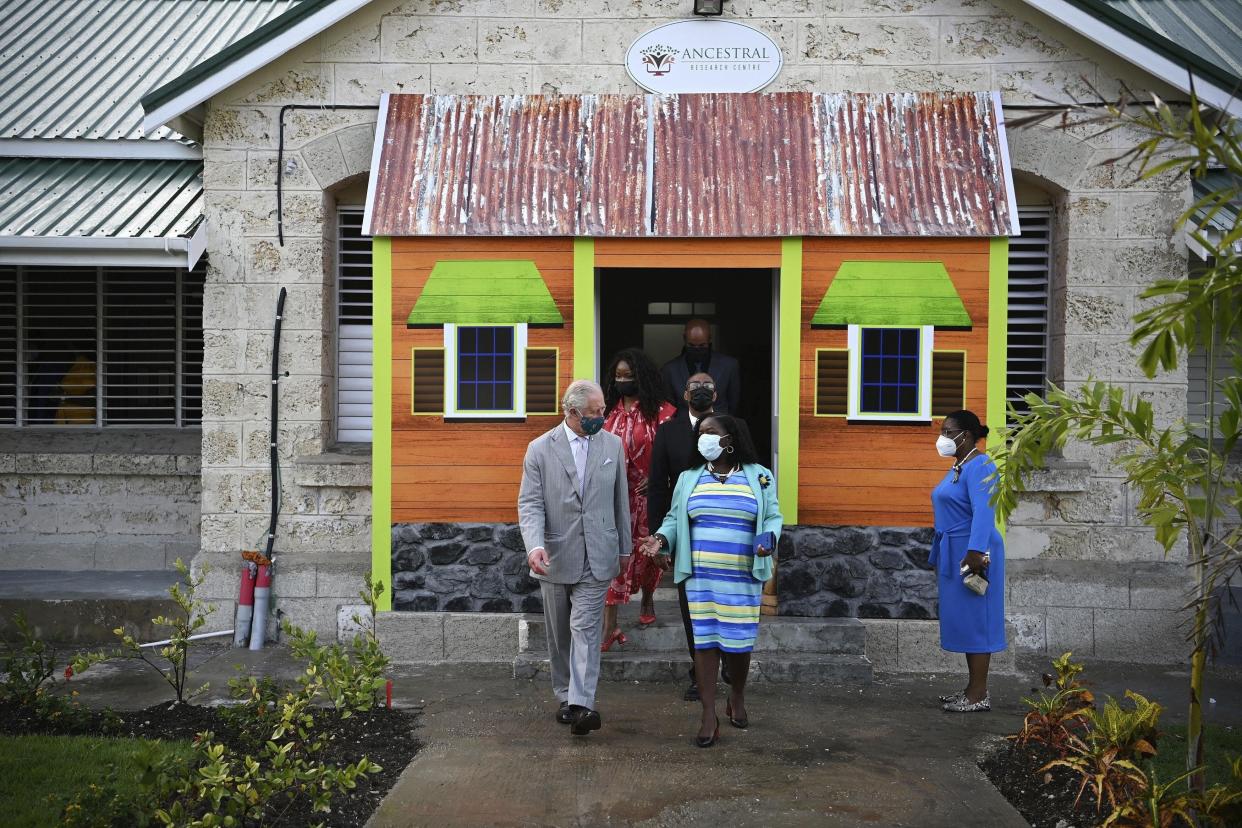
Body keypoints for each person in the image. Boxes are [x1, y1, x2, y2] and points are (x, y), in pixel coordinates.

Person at [640, 414, 781, 747]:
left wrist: (769, 538)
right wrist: (659, 539)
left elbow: (773, 515)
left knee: (739, 644)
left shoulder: (759, 476)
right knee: (703, 643)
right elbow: (675, 519)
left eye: (710, 432)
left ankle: (737, 695)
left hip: (743, 575)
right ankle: (707, 714)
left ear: (729, 438)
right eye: (699, 433)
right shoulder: (689, 478)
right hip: (700, 576)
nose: (702, 438)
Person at [518, 380, 631, 736]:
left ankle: (583, 704)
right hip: (554, 554)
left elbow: (620, 502)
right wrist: (534, 545)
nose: (603, 416)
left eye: (603, 410)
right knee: (559, 634)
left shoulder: (612, 444)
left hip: (598, 554)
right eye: (596, 412)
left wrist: (625, 549)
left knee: (584, 628)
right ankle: (565, 695)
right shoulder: (539, 449)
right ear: (572, 412)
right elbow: (530, 503)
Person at [647, 371, 717, 701]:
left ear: (716, 396)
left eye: (708, 387)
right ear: (684, 394)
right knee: (691, 607)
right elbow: (658, 487)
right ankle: (698, 673)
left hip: (723, 533)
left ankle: (727, 664)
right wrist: (659, 537)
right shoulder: (668, 431)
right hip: (684, 532)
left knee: (724, 606)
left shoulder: (730, 427)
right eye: (695, 387)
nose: (701, 391)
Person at [930, 409, 1006, 713]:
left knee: (977, 620)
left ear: (968, 436)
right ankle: (971, 689)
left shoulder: (981, 465)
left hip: (974, 553)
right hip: (956, 549)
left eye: (949, 432)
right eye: (943, 431)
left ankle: (978, 695)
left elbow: (985, 512)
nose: (943, 437)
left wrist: (975, 552)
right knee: (964, 619)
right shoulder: (959, 466)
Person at [601, 349, 677, 649]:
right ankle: (610, 625)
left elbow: (673, 453)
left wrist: (660, 479)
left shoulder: (664, 413)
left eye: (628, 376)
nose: (623, 381)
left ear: (641, 378)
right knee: (612, 556)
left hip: (648, 497)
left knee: (647, 556)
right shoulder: (607, 412)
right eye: (618, 376)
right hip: (613, 497)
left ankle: (647, 600)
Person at [660, 318, 740, 416]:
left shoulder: (729, 366)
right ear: (684, 339)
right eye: (691, 345)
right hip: (682, 427)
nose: (697, 349)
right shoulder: (669, 370)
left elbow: (734, 404)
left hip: (719, 426)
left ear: (710, 339)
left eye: (702, 345)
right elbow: (668, 408)